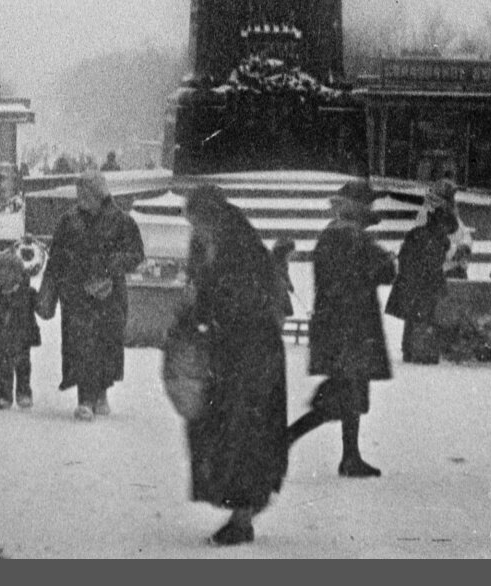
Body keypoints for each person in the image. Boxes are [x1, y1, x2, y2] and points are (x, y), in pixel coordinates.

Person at [172, 184, 290, 546]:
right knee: (222, 430)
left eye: (198, 222)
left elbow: (243, 298)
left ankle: (243, 516)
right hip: (230, 352)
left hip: (253, 353)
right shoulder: (210, 242)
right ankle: (243, 506)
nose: (196, 229)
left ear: (211, 216)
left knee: (243, 433)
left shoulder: (238, 244)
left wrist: (202, 310)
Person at [285, 180, 395, 477]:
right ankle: (283, 442)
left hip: (338, 328)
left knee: (349, 395)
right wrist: (385, 260)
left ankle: (350, 456)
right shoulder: (351, 237)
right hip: (352, 329)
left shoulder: (334, 235)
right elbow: (383, 272)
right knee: (341, 398)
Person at [38, 171, 145, 420]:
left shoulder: (122, 221)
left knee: (106, 344)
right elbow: (56, 257)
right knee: (80, 344)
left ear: (100, 194)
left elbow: (136, 254)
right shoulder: (69, 221)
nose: (80, 198)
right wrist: (49, 291)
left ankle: (101, 393)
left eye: (85, 192)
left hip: (109, 295)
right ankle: (85, 398)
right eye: (79, 192)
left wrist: (109, 267)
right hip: (75, 294)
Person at [386, 186, 460, 365]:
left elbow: (407, 257)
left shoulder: (419, 233)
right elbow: (433, 266)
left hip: (411, 282)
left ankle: (410, 349)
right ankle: (421, 350)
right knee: (424, 317)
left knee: (414, 317)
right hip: (424, 285)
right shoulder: (437, 240)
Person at [0, 249, 42, 410]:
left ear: (17, 274)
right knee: (4, 369)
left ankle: (24, 393)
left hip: (22, 339)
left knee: (23, 368)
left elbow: (40, 306)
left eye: (5, 273)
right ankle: (4, 396)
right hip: (1, 340)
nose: (1, 276)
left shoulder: (27, 293)